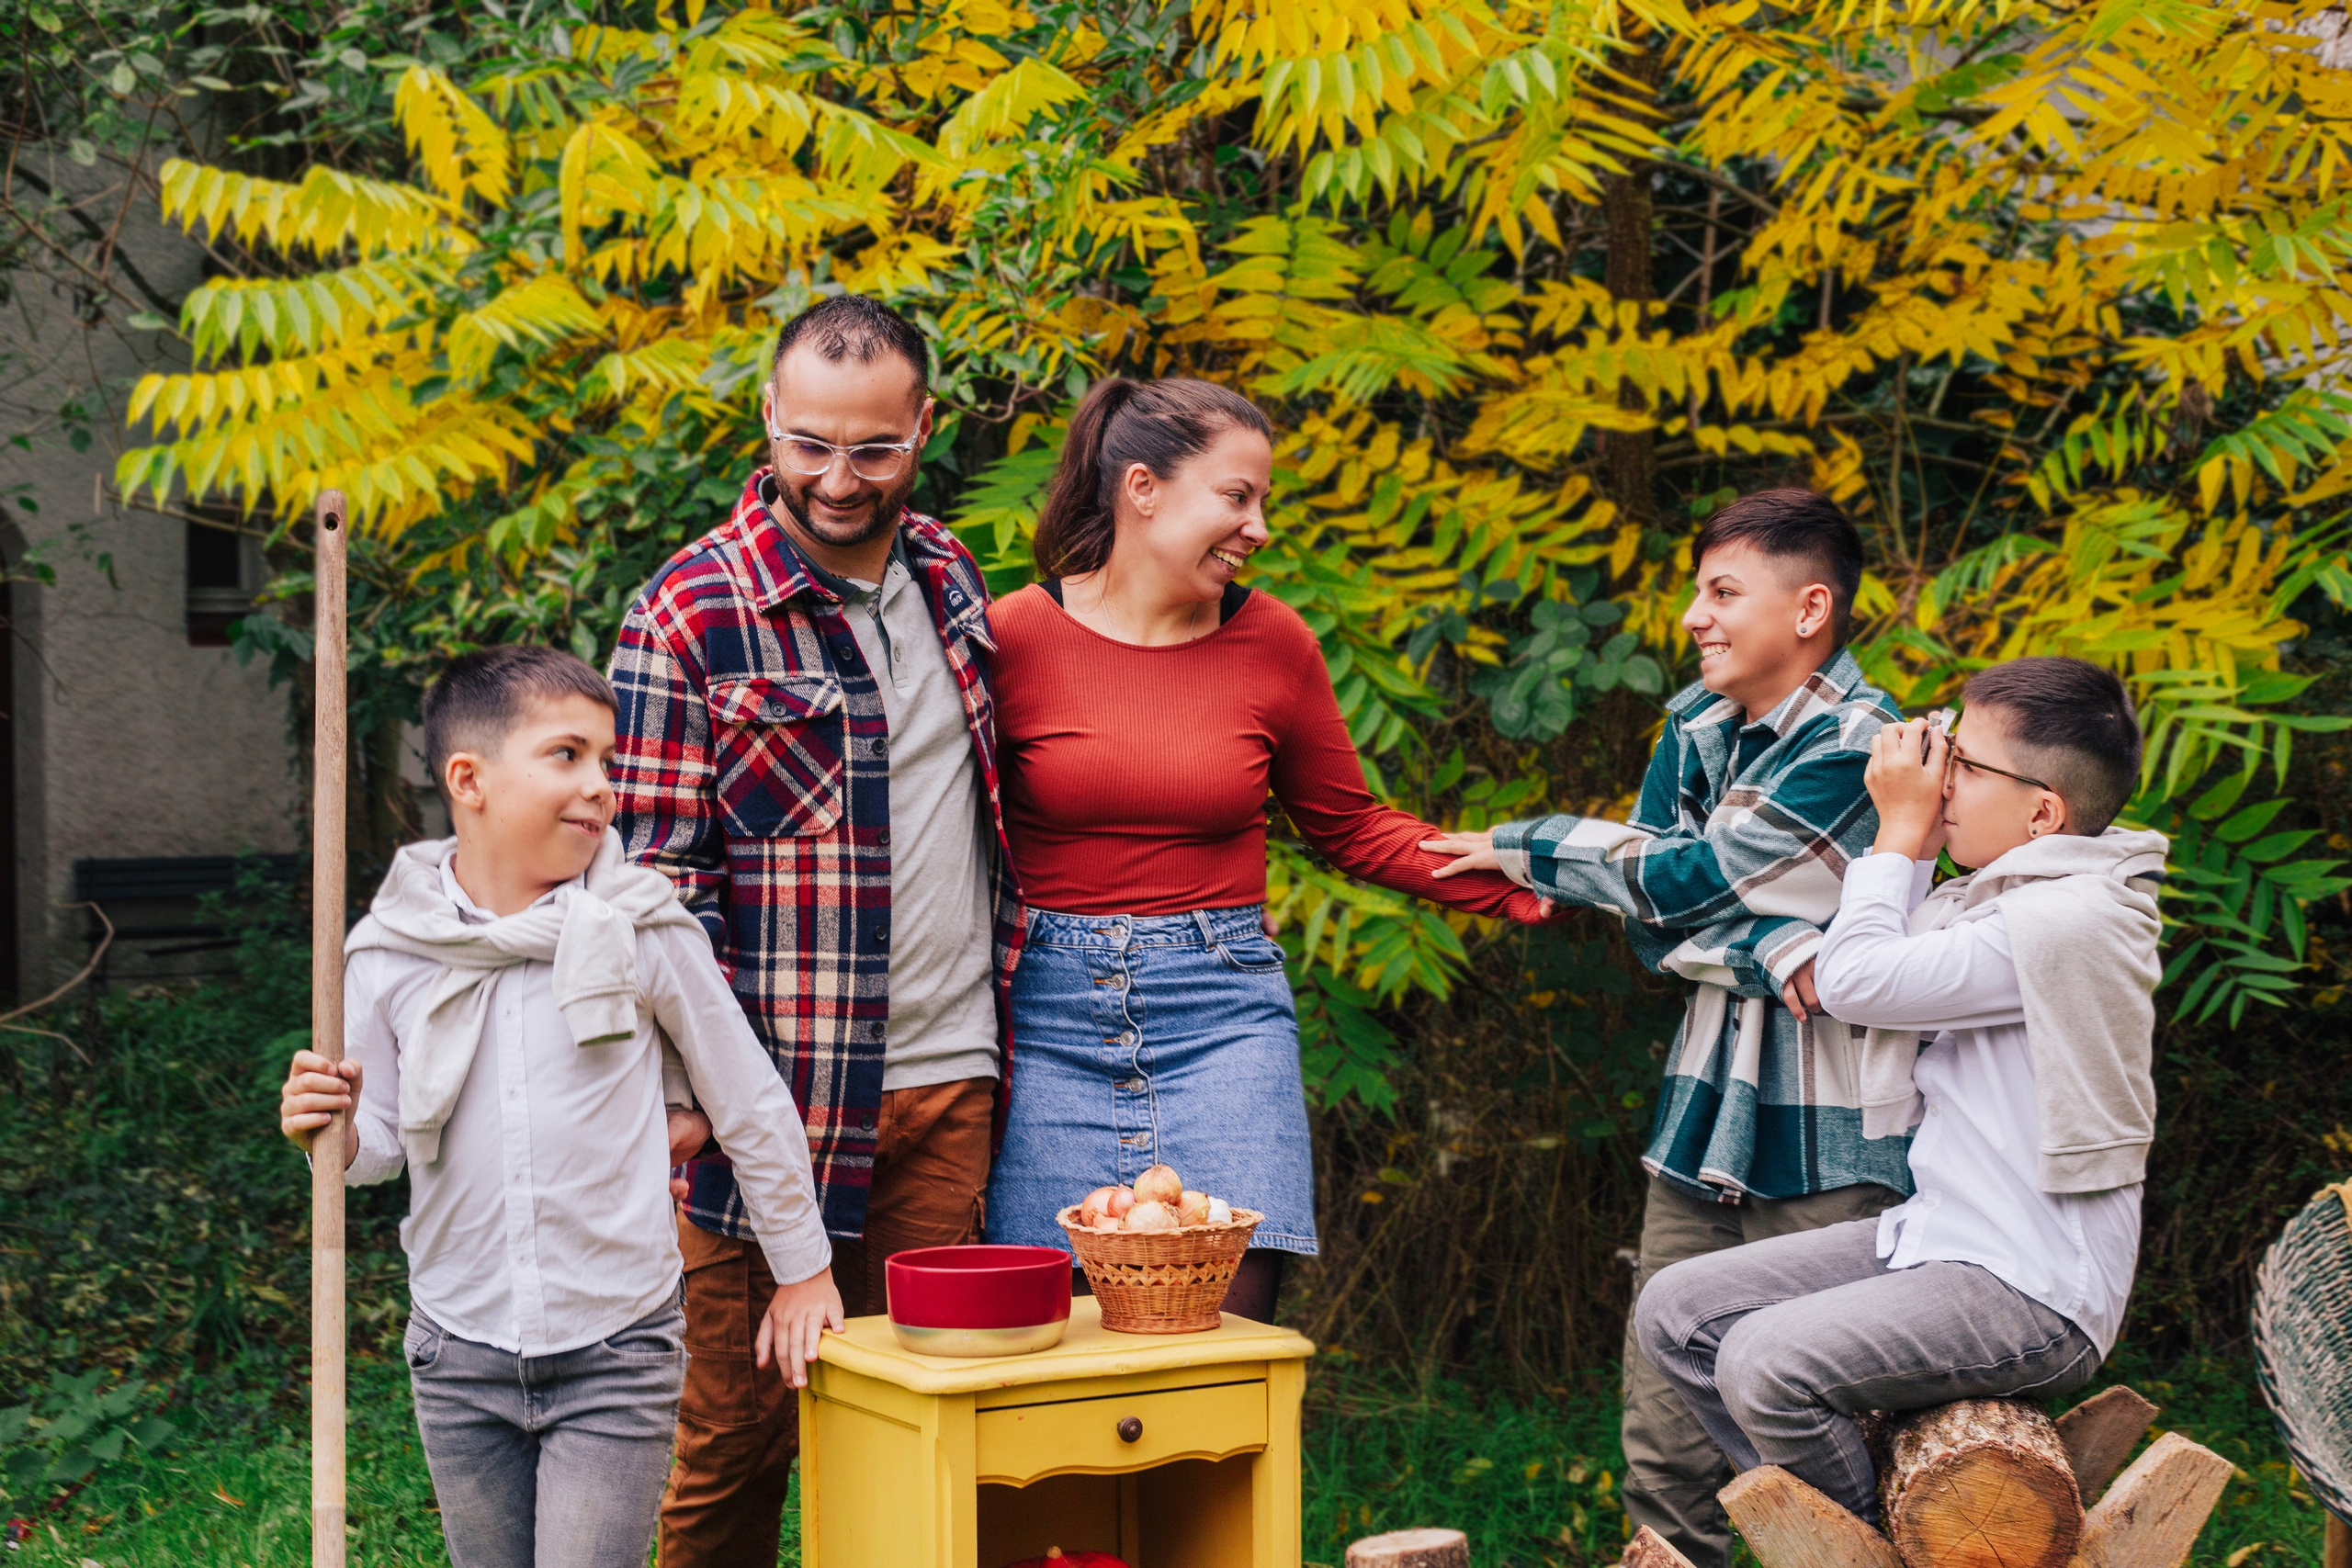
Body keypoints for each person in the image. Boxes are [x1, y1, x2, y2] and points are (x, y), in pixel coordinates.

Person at [980, 376, 1549, 1323]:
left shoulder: (1272, 642)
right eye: (1237, 497)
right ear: (1142, 489)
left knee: (1224, 1338)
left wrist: (1530, 877)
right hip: (1043, 1022)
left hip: (1221, 1015)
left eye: (1262, 503)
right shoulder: (1012, 638)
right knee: (1060, 1355)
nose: (1259, 528)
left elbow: (1351, 825)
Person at [607, 293, 1019, 1567]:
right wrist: (703, 1094)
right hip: (774, 1106)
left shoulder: (950, 579)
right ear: (771, 423)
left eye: (873, 449)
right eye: (810, 445)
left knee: (913, 1428)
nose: (838, 480)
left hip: (947, 1082)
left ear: (923, 430)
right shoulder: (687, 612)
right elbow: (659, 887)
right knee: (734, 1444)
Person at [1421, 489, 1904, 1568]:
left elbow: (1680, 878)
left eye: (1723, 592)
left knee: (1810, 1426)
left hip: (1827, 1133)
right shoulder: (1693, 729)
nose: (1694, 616)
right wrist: (1777, 951)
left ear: (1810, 607)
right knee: (1664, 1440)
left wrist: (1526, 845)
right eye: (1699, 591)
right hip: (1701, 1121)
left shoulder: (1863, 747)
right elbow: (1652, 921)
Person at [275, 646, 839, 1568]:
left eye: (607, 760)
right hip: (457, 1349)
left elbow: (749, 1102)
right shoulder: (388, 951)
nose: (602, 786)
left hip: (615, 1345)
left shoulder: (639, 928)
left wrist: (802, 1267)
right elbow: (377, 1151)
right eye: (567, 756)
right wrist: (324, 1129)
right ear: (471, 780)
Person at [1631, 656, 2164, 1521]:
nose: (1943, 777)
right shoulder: (2006, 904)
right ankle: (1858, 1521)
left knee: (1764, 1363)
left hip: (2032, 1288)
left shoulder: (2068, 921)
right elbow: (1881, 954)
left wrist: (1899, 826)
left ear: (2043, 810)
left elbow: (1858, 978)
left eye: (1967, 764)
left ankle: (1868, 1546)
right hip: (1942, 1239)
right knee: (1678, 1311)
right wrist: (1910, 841)